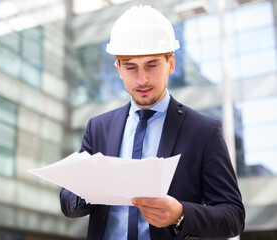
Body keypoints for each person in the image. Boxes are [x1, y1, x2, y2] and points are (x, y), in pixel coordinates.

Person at [60, 5, 245, 240]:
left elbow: (233, 217)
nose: (142, 79)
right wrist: (86, 190)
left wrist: (180, 214)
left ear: (171, 64)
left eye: (152, 65)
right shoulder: (99, 128)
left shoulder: (203, 131)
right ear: (118, 69)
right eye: (130, 67)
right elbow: (68, 203)